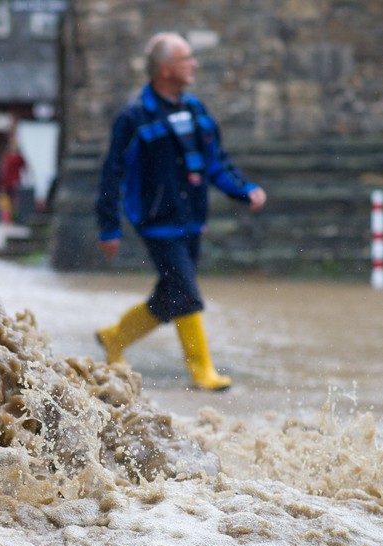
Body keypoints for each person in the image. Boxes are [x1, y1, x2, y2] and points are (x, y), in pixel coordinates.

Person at [94, 32, 267, 391]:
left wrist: (243, 190)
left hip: (192, 219)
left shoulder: (196, 110)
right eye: (187, 58)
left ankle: (114, 338)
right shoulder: (133, 117)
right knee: (186, 293)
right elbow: (112, 172)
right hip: (157, 224)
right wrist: (109, 227)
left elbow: (215, 161)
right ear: (166, 68)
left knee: (170, 294)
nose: (195, 65)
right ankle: (202, 370)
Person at [0, 138, 27, 223]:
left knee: (15, 201)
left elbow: (25, 167)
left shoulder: (18, 157)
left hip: (15, 182)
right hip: (7, 182)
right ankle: (7, 218)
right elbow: (3, 170)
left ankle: (15, 218)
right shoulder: (7, 157)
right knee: (7, 201)